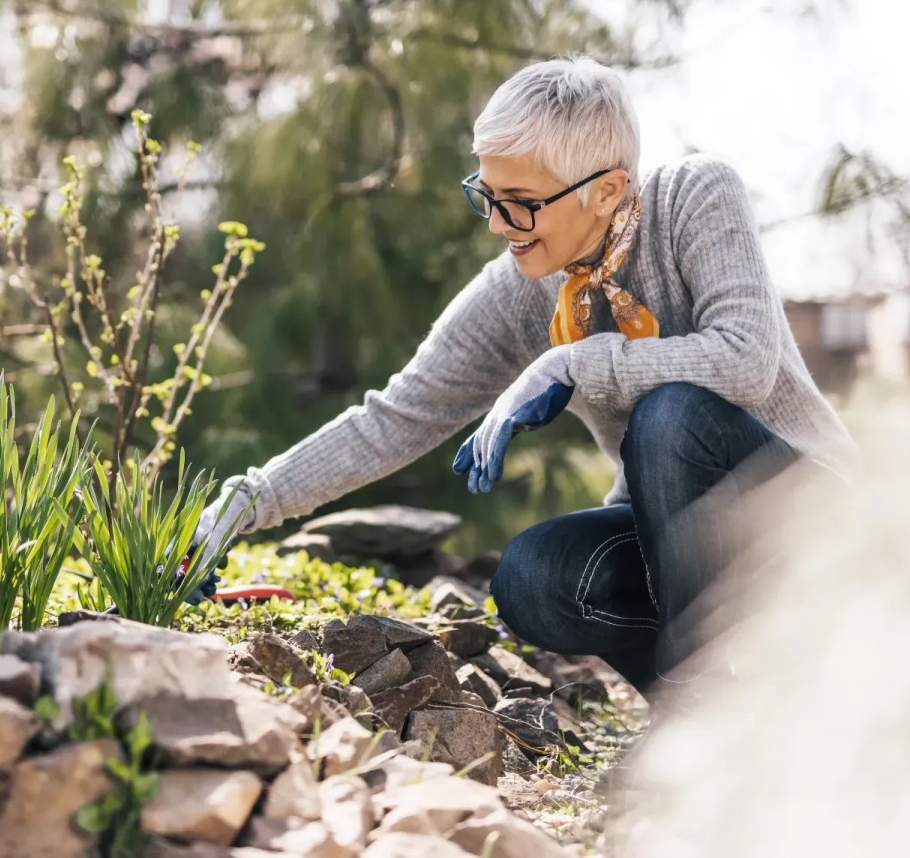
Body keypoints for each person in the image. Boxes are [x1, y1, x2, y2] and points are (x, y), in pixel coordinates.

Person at [192, 55, 854, 698]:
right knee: (533, 576)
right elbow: (394, 417)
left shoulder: (695, 195)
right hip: (682, 550)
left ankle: (699, 703)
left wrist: (576, 361)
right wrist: (248, 500)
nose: (499, 225)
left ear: (608, 190)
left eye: (521, 203)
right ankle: (714, 727)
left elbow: (744, 359)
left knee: (670, 412)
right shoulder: (521, 289)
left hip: (813, 520)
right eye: (486, 195)